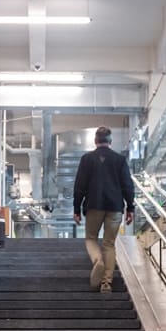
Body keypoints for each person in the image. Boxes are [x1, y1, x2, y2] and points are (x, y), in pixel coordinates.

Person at [71, 125, 135, 293]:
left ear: (95, 141)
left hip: (94, 206)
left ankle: (98, 260)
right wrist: (130, 208)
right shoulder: (119, 160)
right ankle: (106, 283)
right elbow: (128, 186)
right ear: (110, 141)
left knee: (91, 239)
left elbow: (79, 186)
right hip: (115, 207)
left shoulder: (87, 159)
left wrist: (76, 209)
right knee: (109, 244)